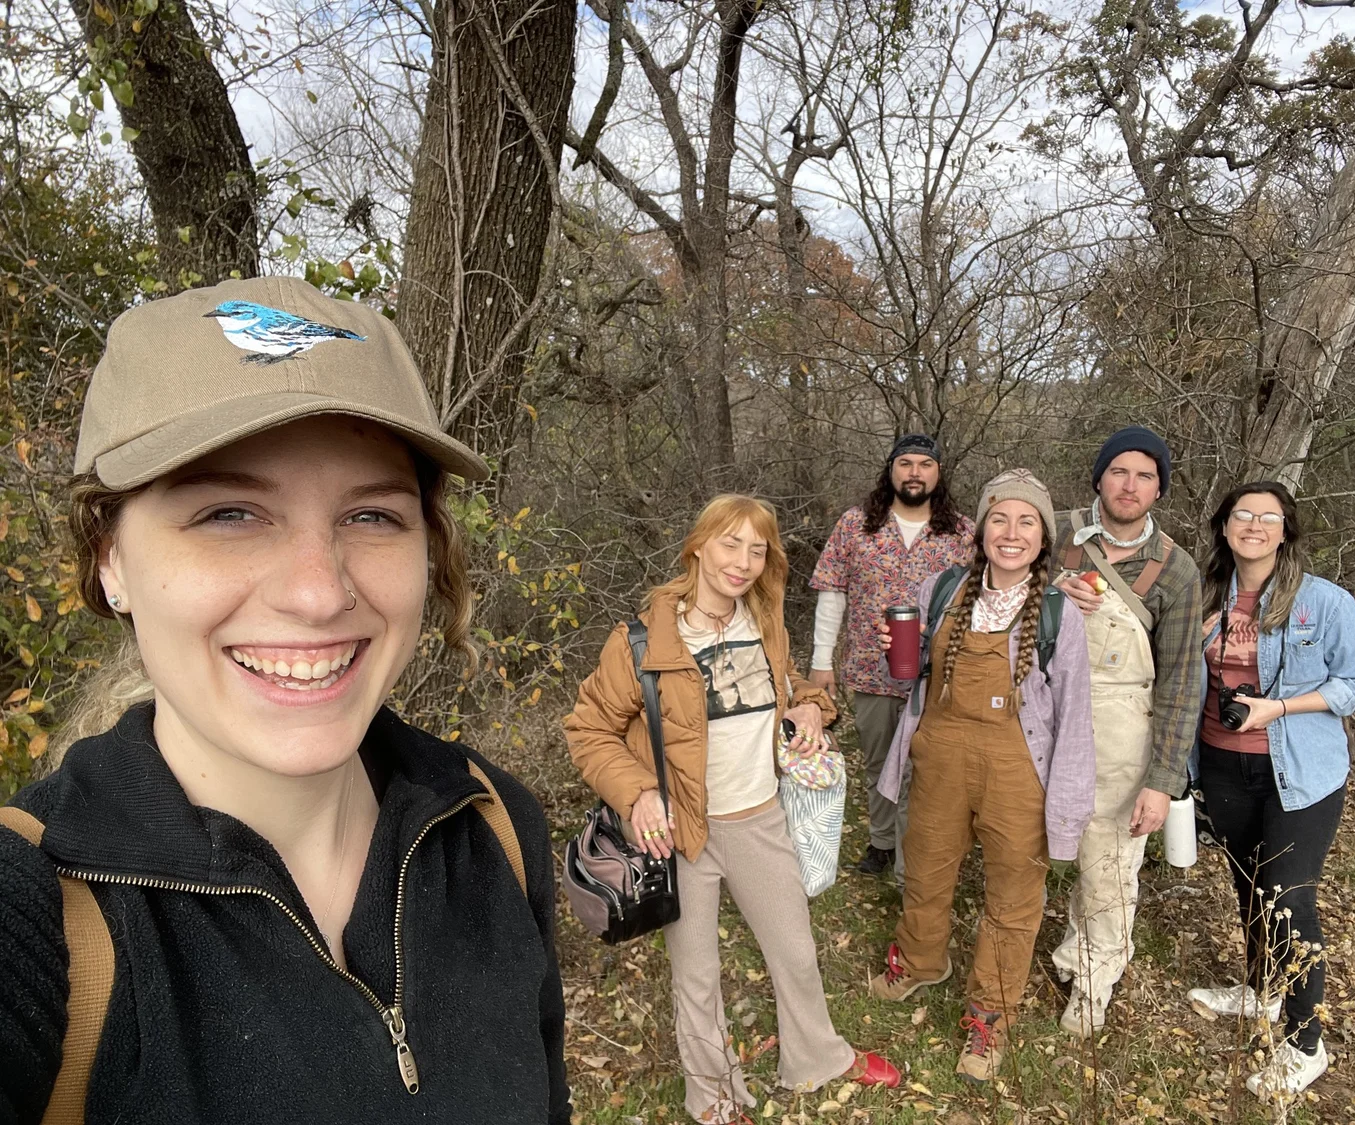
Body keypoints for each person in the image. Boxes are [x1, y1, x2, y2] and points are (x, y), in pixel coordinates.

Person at [0, 278, 570, 1123]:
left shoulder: (491, 827)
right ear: (109, 556)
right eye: (230, 512)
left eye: (372, 516)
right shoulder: (39, 914)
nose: (318, 592)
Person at [565, 495, 899, 1125]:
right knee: (697, 976)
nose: (743, 562)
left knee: (795, 952)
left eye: (757, 549)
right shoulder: (641, 641)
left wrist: (810, 706)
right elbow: (588, 729)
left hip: (760, 819)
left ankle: (817, 1058)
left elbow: (792, 685)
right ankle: (715, 1099)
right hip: (682, 833)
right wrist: (638, 792)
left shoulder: (765, 622)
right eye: (730, 543)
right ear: (698, 546)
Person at [866, 470, 1096, 1082]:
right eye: (999, 518)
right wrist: (894, 648)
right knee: (926, 869)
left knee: (1014, 898)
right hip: (939, 758)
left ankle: (990, 1012)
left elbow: (1076, 720)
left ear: (1043, 538)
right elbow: (907, 677)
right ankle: (921, 962)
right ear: (981, 529)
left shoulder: (1060, 615)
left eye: (1027, 522)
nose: (1011, 533)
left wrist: (1067, 808)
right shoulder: (941, 589)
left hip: (1018, 770)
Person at [1186, 482, 1355, 1099]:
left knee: (1288, 898)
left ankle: (1305, 1043)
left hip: (1301, 771)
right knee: (1249, 886)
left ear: (1285, 530)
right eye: (1242, 515)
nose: (1254, 525)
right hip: (1222, 764)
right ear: (1224, 527)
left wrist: (1282, 707)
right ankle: (1261, 989)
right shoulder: (1202, 595)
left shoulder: (1324, 602)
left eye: (1268, 517)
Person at [1049, 426, 1204, 1036]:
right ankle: (1064, 950)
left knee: (1109, 862)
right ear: (1098, 478)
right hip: (1045, 716)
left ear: (1159, 489)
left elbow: (1183, 682)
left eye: (1145, 475)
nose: (1130, 486)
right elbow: (994, 590)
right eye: (1119, 471)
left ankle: (1095, 981)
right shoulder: (1053, 535)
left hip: (1122, 730)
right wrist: (1049, 595)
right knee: (1039, 846)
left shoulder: (1176, 570)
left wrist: (1163, 781)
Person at [809, 434, 975, 881]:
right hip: (870, 671)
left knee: (923, 771)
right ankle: (882, 842)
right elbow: (831, 593)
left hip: (935, 676)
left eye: (925, 464)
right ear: (891, 470)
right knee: (880, 762)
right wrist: (821, 661)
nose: (915, 473)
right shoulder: (857, 525)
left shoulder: (962, 533)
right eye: (906, 463)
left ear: (938, 472)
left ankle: (912, 862)